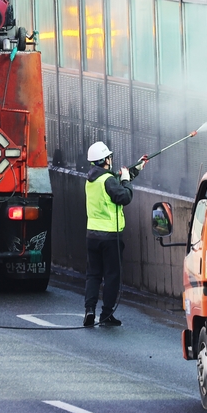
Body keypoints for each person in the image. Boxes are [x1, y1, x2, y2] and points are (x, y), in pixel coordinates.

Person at [83, 141, 144, 328]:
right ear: (104, 160)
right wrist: (126, 180)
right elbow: (123, 196)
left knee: (93, 275)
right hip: (110, 236)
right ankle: (106, 314)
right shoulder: (108, 180)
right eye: (109, 157)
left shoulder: (92, 179)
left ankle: (89, 310)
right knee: (111, 276)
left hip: (92, 235)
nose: (111, 159)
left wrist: (136, 168)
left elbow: (113, 184)